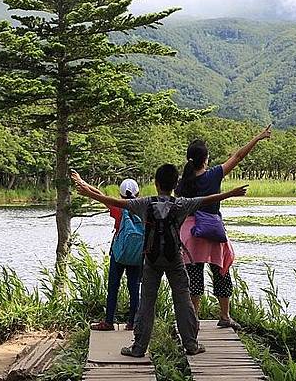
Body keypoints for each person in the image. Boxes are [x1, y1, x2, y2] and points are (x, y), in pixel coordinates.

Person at [74, 164, 249, 358]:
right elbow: (207, 200)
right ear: (175, 184)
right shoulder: (181, 204)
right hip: (175, 259)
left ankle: (139, 347)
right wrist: (230, 193)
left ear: (156, 184)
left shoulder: (144, 204)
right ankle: (191, 345)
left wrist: (89, 193)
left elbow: (115, 202)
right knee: (183, 300)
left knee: (147, 302)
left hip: (151, 259)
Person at [176, 125, 272, 330]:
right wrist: (258, 137)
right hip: (212, 231)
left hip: (189, 236)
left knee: (194, 277)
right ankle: (225, 316)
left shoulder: (181, 183)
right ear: (205, 159)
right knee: (221, 272)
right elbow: (238, 157)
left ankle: (193, 321)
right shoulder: (213, 175)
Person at [70, 172, 142, 331]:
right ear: (139, 193)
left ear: (120, 194)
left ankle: (109, 321)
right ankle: (132, 323)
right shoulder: (143, 208)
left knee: (113, 287)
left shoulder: (118, 207)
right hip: (137, 254)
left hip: (119, 253)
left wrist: (82, 182)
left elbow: (99, 195)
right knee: (134, 287)